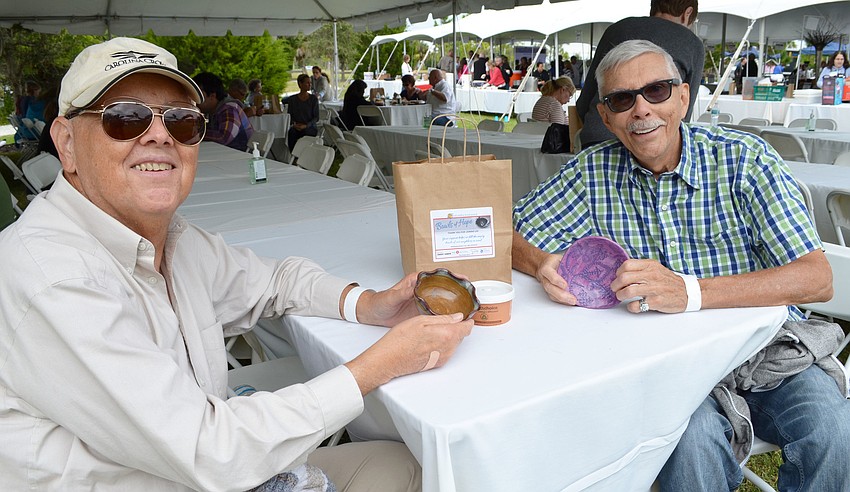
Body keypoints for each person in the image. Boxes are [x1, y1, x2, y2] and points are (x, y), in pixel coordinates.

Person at [0, 36, 473, 491]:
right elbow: (212, 451)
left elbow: (276, 281)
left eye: (182, 121)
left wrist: (370, 304)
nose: (160, 136)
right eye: (125, 119)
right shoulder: (53, 276)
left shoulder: (171, 241)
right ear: (66, 143)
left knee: (404, 461)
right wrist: (377, 367)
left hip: (203, 467)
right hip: (188, 473)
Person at [512, 39, 850, 492]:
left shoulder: (743, 159)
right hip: (670, 367)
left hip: (767, 348)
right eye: (621, 99)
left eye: (657, 90)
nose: (641, 110)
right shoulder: (591, 174)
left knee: (832, 432)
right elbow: (499, 234)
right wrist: (540, 263)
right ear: (607, 117)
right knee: (688, 445)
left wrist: (689, 291)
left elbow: (816, 278)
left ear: (684, 97)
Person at [575, 0, 704, 147]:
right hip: (651, 139)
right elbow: (683, 113)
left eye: (657, 89)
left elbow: (584, 101)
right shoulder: (692, 43)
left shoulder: (617, 29)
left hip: (597, 135)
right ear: (687, 13)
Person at [193, 72, 254, 151]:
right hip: (227, 154)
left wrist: (194, 133)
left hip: (242, 157)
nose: (194, 100)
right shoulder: (213, 111)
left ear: (212, 96)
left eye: (199, 95)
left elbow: (224, 137)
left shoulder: (229, 109)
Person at [284, 73, 320, 152]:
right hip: (296, 126)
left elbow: (316, 117)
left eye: (310, 83)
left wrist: (307, 125)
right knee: (291, 133)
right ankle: (293, 155)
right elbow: (290, 115)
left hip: (310, 127)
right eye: (307, 83)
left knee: (306, 133)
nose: (309, 85)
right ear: (300, 84)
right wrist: (295, 124)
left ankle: (305, 155)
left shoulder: (313, 99)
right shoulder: (292, 99)